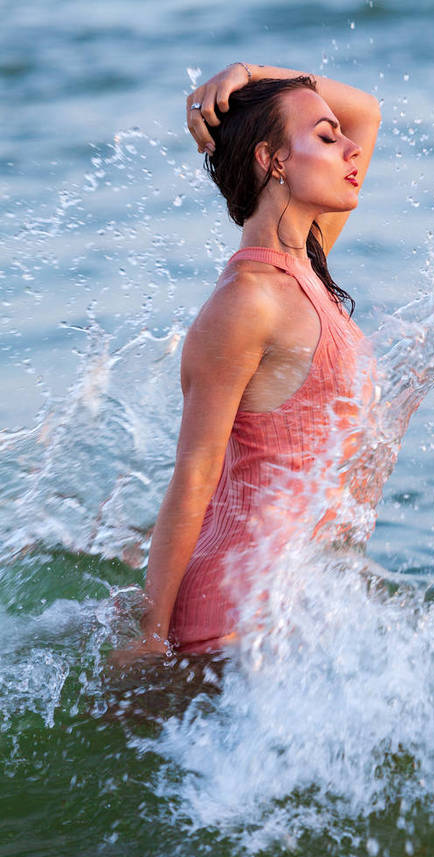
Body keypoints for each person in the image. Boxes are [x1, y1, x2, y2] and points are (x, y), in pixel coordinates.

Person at [110, 62, 382, 663]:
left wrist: (249, 72)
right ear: (273, 160)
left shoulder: (305, 266)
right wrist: (150, 635)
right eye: (327, 137)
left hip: (293, 602)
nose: (352, 149)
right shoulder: (247, 302)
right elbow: (194, 476)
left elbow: (367, 111)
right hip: (233, 618)